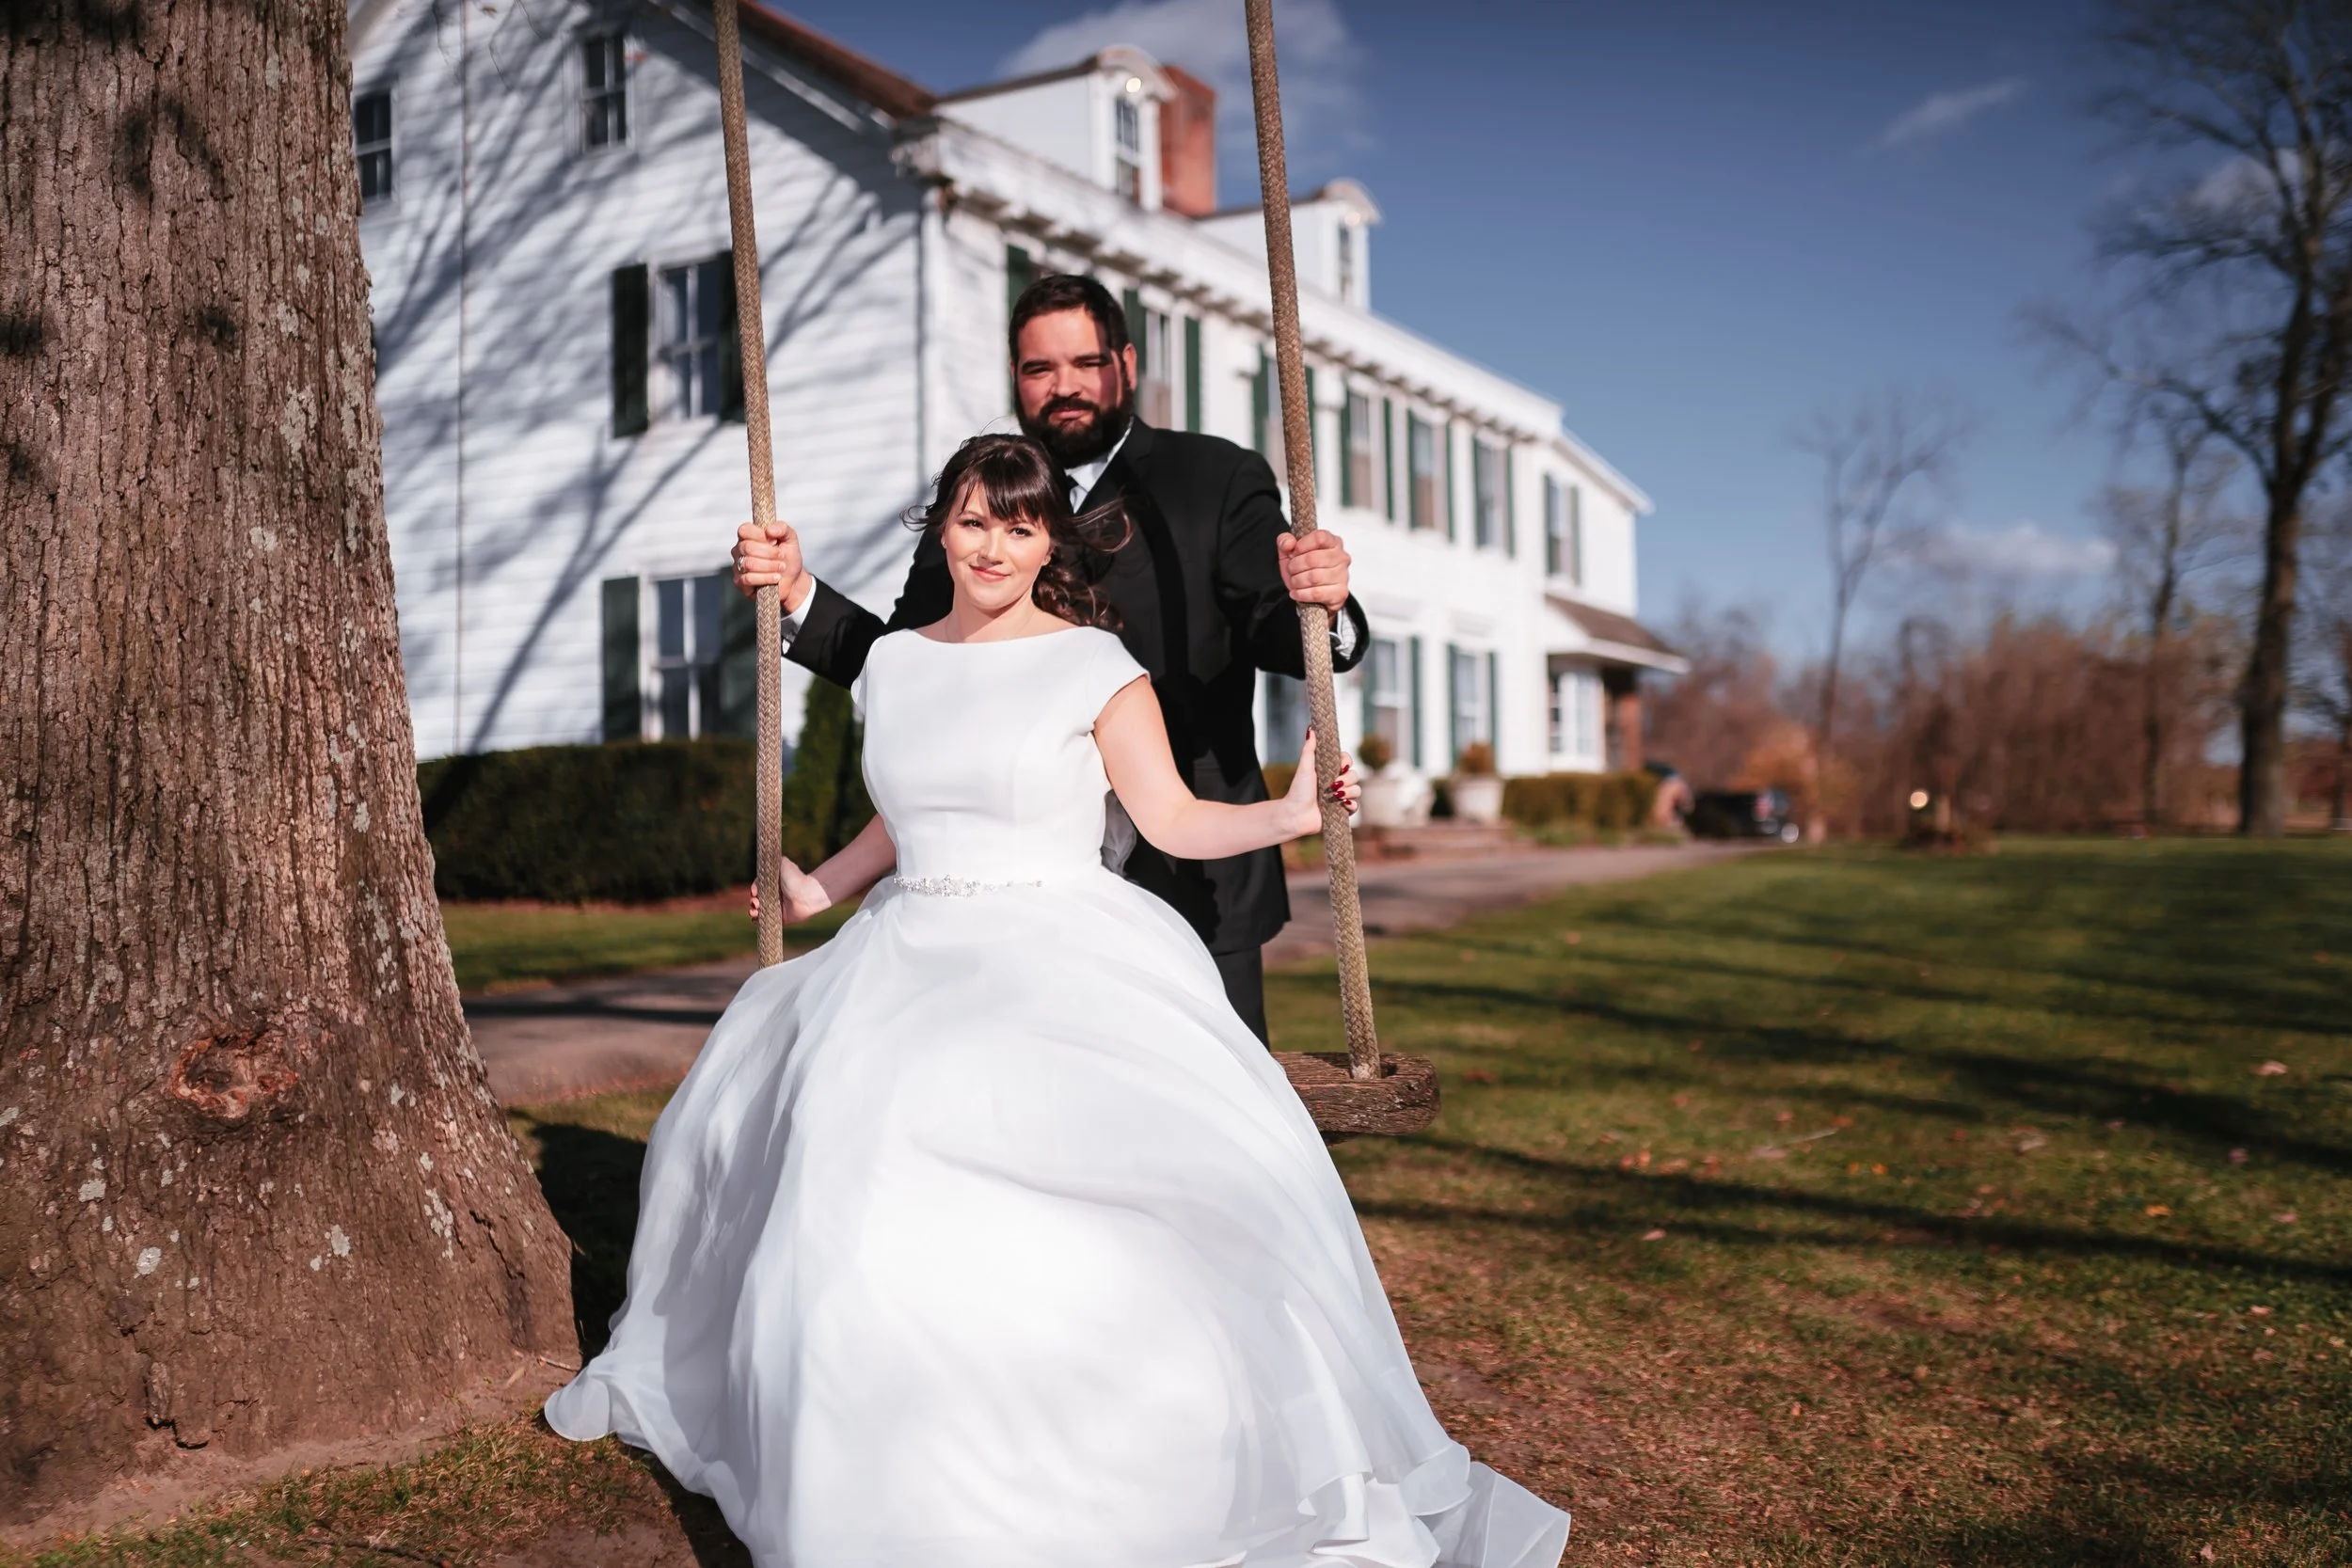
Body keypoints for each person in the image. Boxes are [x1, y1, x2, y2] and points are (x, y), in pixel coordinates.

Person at [547, 435, 1568, 1568]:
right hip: (905, 952)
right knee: (856, 1169)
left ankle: (1117, 1453)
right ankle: (891, 1465)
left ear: (1050, 541)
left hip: (1059, 950)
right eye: (975, 520)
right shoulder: (893, 664)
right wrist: (818, 883)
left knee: (1084, 1196)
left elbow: (1173, 820)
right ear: (940, 524)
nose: (994, 546)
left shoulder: (1096, 667)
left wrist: (1288, 817)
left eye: (1020, 525)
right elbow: (911, 816)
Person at [732, 273, 1368, 1041]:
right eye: (1040, 369)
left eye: (1086, 363)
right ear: (1015, 378)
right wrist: (798, 592)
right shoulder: (982, 495)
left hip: (1194, 878)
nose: (1064, 386)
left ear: (1128, 364)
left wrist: (1322, 604)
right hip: (962, 928)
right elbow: (906, 664)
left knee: (1196, 1116)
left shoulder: (1215, 478)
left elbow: (1277, 622)